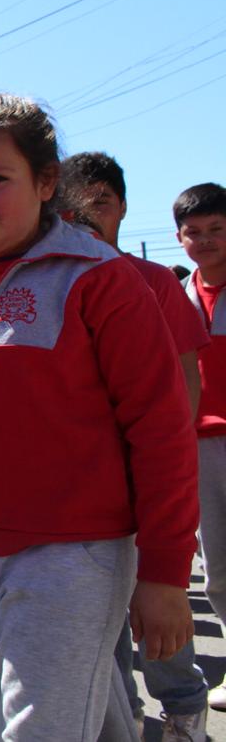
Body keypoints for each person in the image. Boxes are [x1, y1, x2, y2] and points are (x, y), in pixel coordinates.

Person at [0, 93, 198, 741]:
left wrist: (165, 573)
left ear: (44, 182)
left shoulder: (100, 280)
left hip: (73, 558)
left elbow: (161, 430)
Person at [63, 151, 211, 740]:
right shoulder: (61, 279)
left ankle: (182, 708)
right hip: (86, 493)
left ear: (122, 207)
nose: (88, 217)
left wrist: (168, 463)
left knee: (159, 606)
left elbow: (185, 381)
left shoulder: (148, 280)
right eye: (75, 206)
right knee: (105, 630)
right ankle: (120, 713)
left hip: (146, 478)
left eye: (101, 202)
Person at [174, 182, 226, 713]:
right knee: (218, 568)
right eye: (195, 233)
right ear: (179, 238)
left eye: (216, 229)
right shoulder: (179, 295)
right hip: (197, 448)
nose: (205, 241)